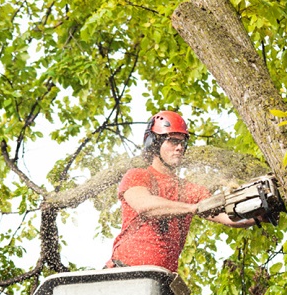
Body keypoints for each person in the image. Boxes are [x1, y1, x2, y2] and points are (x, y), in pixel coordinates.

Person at [106, 111, 257, 272]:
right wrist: (192, 208)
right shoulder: (138, 176)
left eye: (182, 143)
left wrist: (258, 213)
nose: (179, 147)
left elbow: (228, 217)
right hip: (124, 273)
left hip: (162, 279)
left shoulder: (190, 190)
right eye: (172, 141)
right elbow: (145, 206)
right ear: (155, 143)